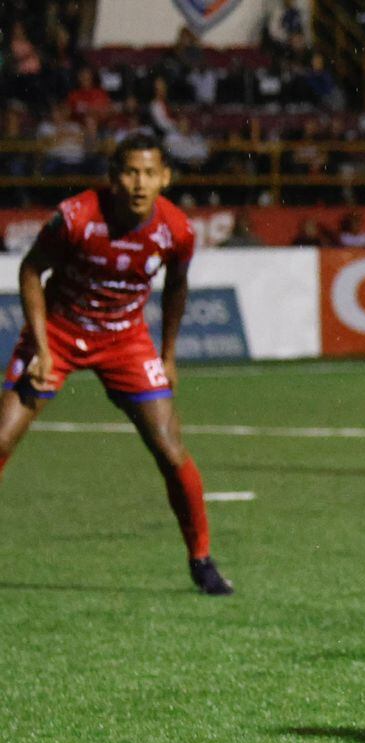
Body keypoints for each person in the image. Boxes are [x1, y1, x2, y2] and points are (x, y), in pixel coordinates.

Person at [0, 131, 233, 595]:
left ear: (165, 177)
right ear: (113, 177)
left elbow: (177, 289)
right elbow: (31, 270)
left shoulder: (177, 231)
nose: (139, 183)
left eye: (149, 173)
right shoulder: (76, 217)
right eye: (129, 172)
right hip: (60, 335)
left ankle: (202, 560)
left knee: (169, 450)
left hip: (125, 341)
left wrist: (167, 355)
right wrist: (43, 349)